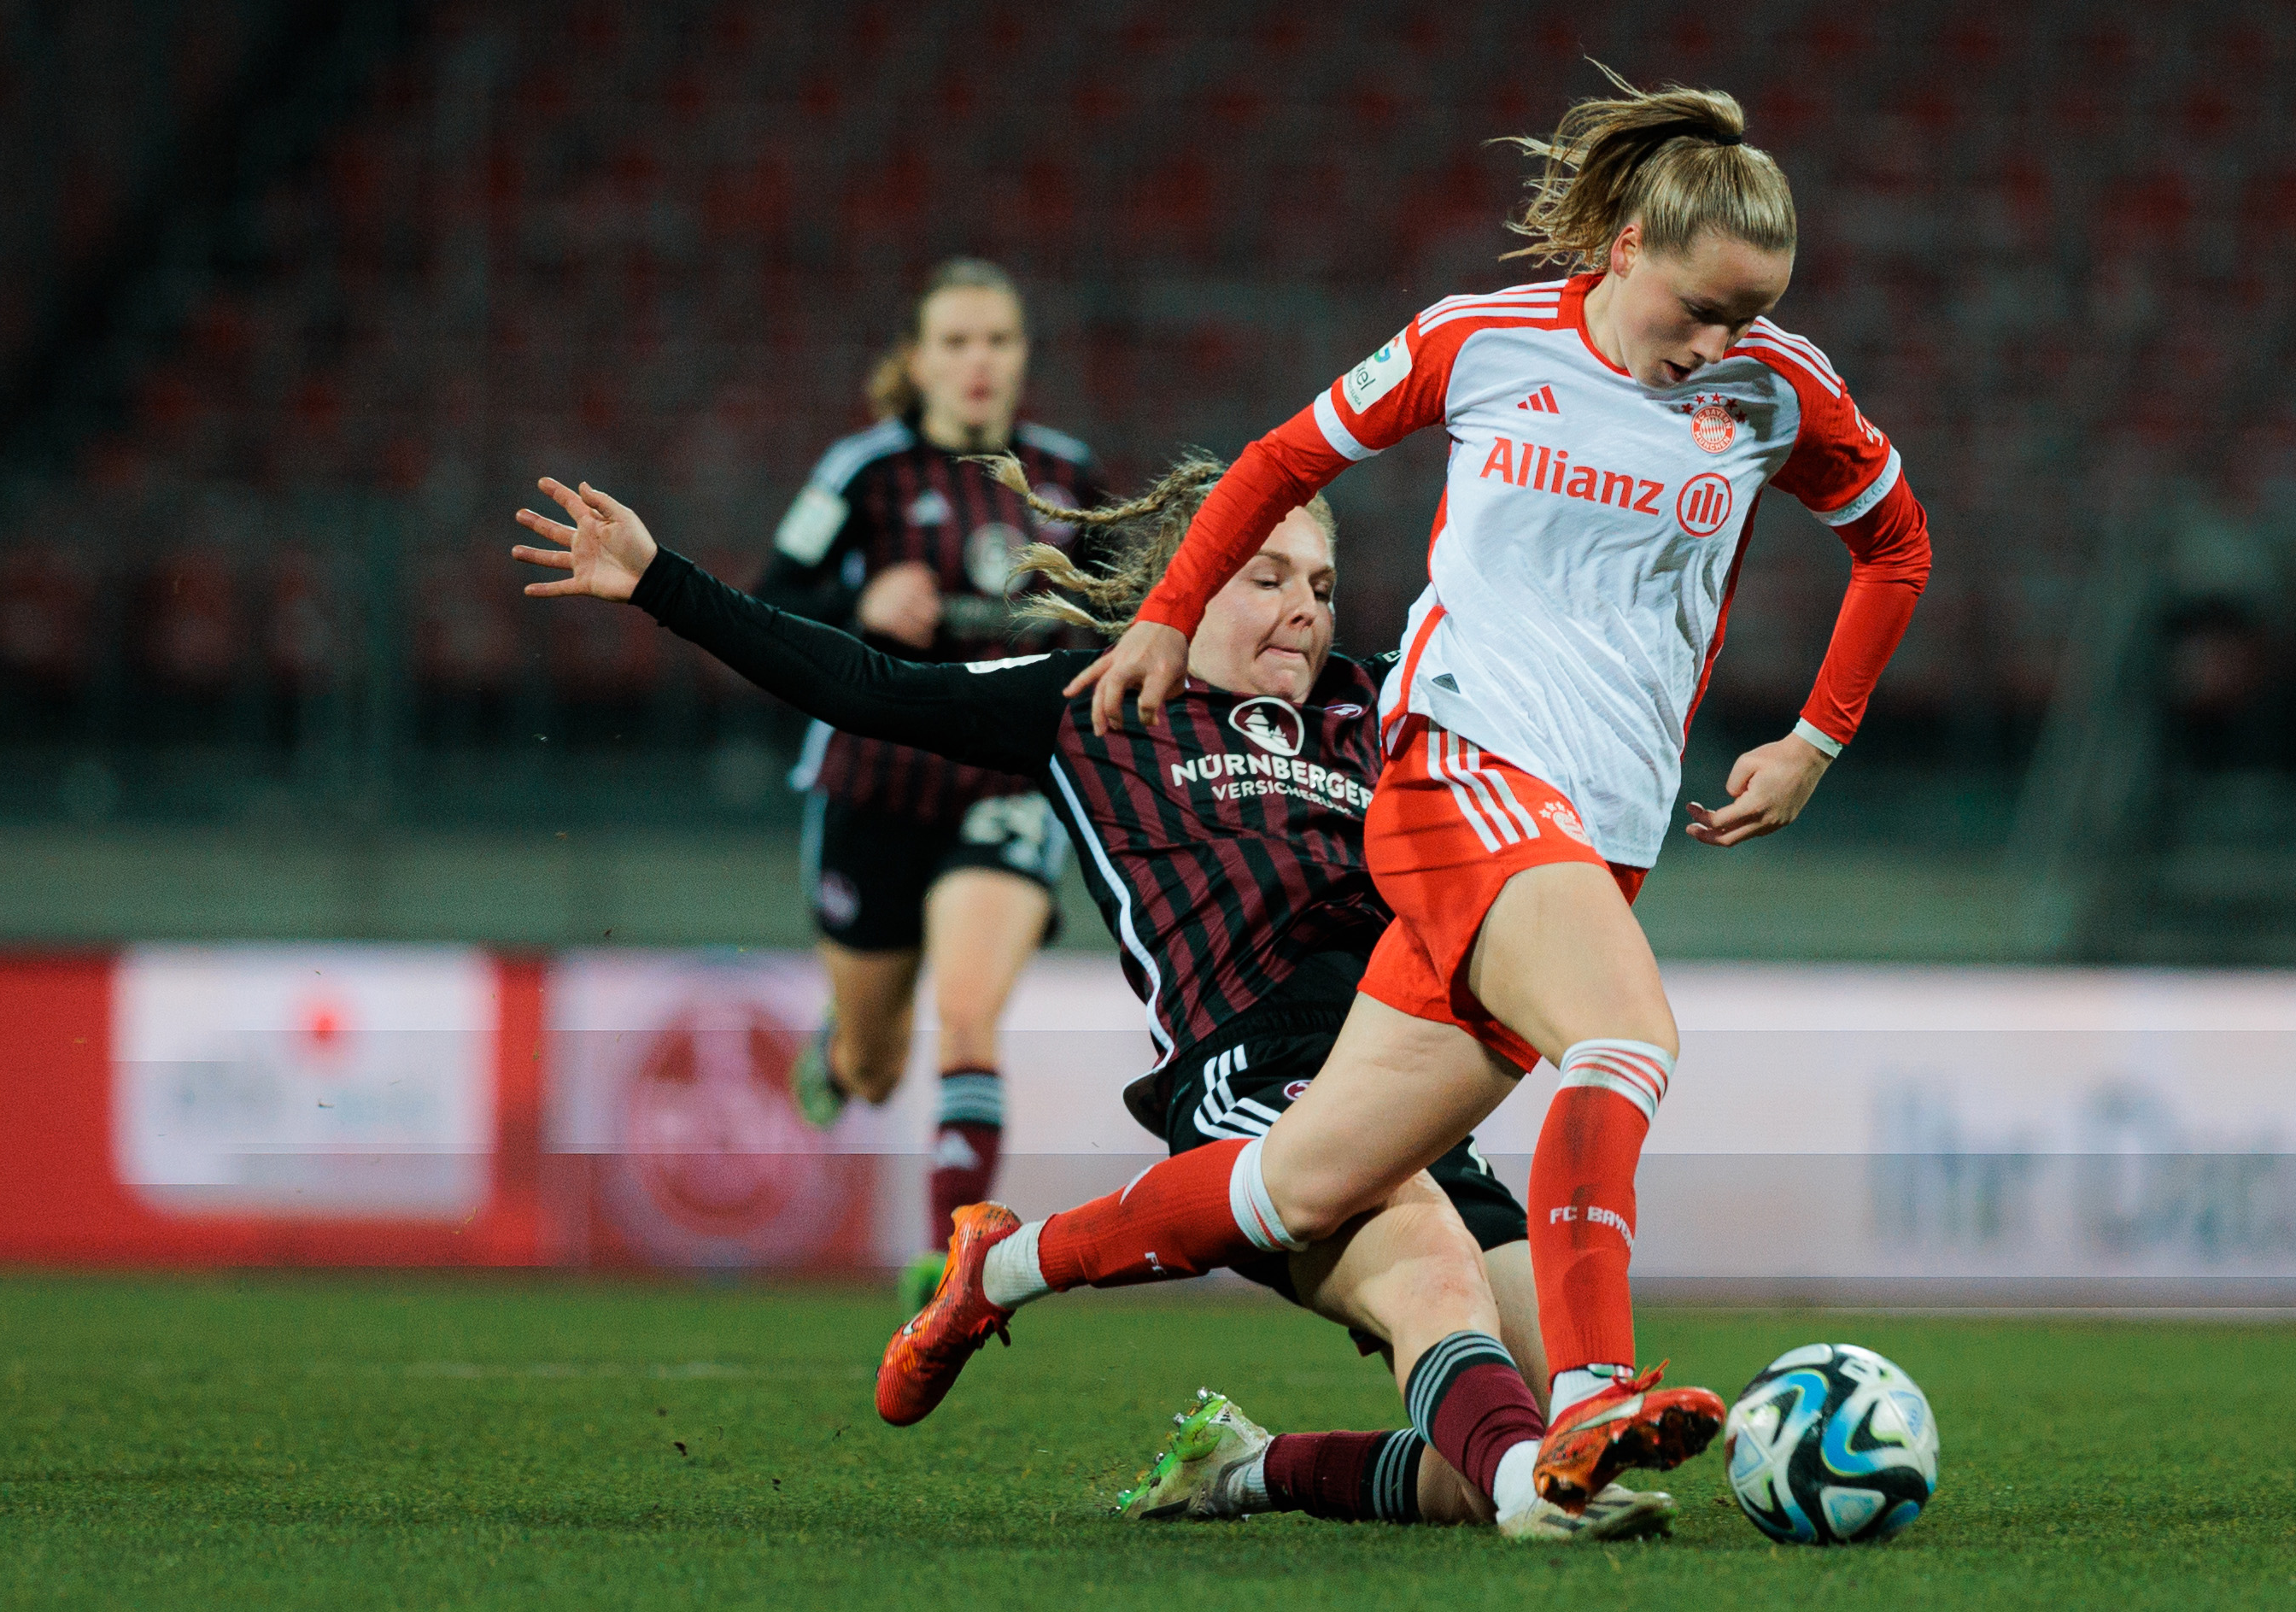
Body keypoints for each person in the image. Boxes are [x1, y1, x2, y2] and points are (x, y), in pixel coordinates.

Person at [874, 68, 1935, 1513]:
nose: (1720, 341)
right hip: (1460, 773)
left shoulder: (1776, 389)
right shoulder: (1480, 343)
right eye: (1700, 307)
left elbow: (1895, 549)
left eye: (1749, 313)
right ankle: (1590, 1394)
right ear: (1621, 242)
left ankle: (994, 1271)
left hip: (1596, 833)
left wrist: (1817, 734)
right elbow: (1282, 458)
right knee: (1624, 1040)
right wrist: (1170, 614)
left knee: (1291, 1185)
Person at [512, 465, 1666, 1540]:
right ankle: (1532, 1496)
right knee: (1432, 1276)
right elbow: (863, 685)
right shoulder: (1093, 700)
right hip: (1247, 1071)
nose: (1305, 608)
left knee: (1502, 1440)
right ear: (1189, 581)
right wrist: (661, 580)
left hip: (1408, 1082)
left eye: (1319, 583)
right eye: (1265, 575)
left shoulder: (1383, 702)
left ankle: (1250, 1466)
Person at [754, 258, 1109, 1303]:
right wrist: (861, 602)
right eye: (956, 342)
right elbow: (773, 596)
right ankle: (845, 1044)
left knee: (965, 1013)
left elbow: (1139, 604)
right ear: (916, 361)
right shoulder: (863, 472)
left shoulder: (1069, 476)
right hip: (870, 784)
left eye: (998, 340)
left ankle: (950, 1269)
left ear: (1022, 356)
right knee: (870, 1066)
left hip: (1000, 778)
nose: (979, 362)